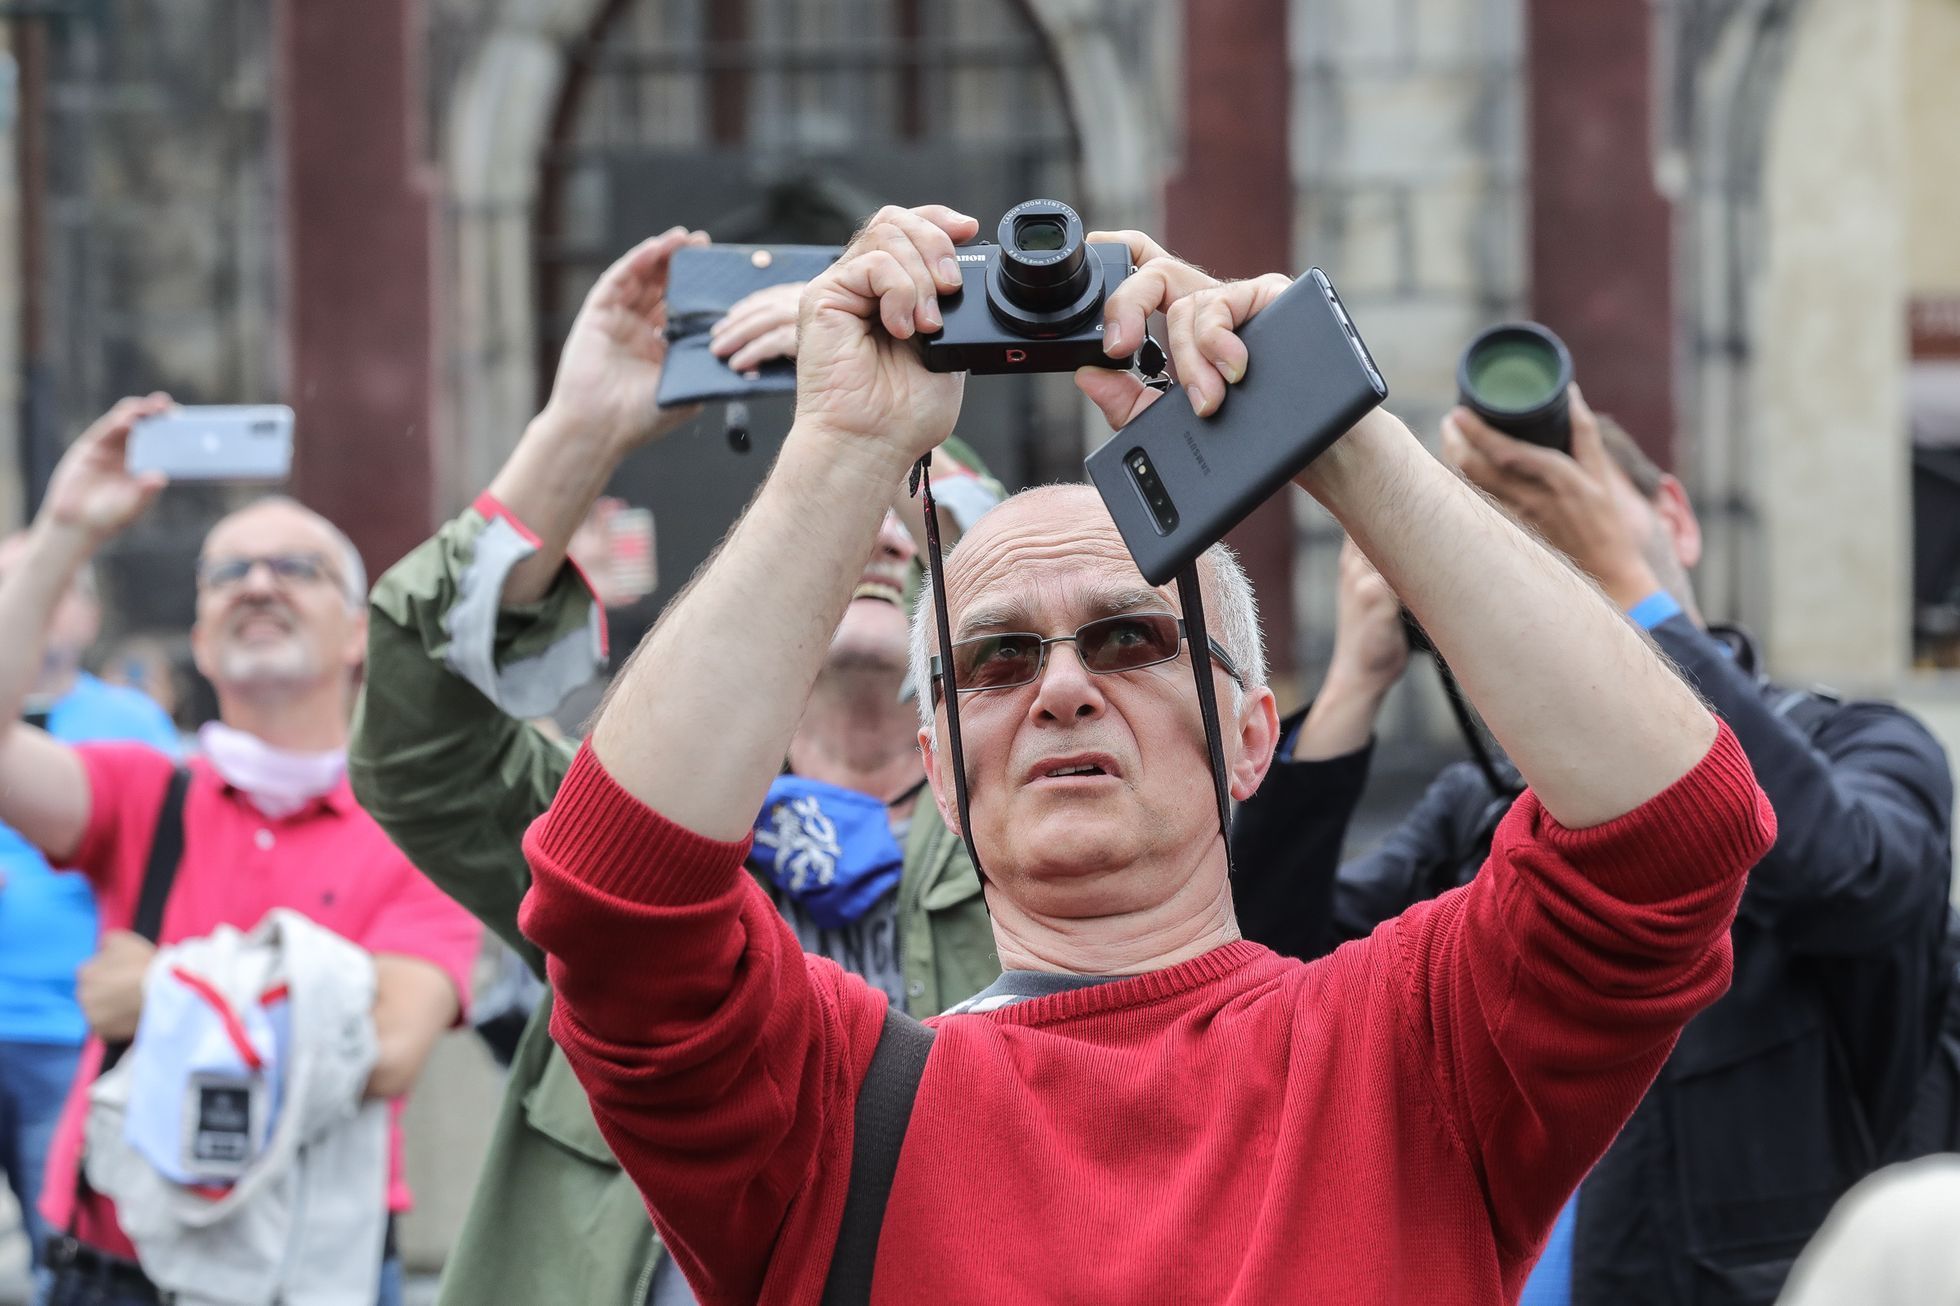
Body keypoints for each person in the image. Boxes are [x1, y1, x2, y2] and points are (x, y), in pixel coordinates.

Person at [515, 205, 1775, 1303]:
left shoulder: (1410, 1056)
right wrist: (841, 451)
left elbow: (1675, 834)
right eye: (997, 661)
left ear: (1249, 734)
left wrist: (1328, 427)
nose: (1061, 687)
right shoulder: (828, 1119)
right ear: (940, 771)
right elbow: (616, 908)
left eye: (1128, 637)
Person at [348, 226, 1002, 1306]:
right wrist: (580, 431)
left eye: (909, 514)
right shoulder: (625, 848)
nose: (881, 541)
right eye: (844, 510)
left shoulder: (1051, 851)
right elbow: (421, 742)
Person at [1244, 395, 1958, 1305]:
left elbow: (1851, 884)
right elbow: (1275, 976)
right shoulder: (1483, 813)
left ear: (1675, 518)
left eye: (1562, 511)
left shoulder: (1863, 745)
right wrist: (1356, 681)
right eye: (1507, 540)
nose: (1539, 570)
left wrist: (1625, 592)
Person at [0, 396, 480, 1306]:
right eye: (227, 574)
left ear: (354, 636)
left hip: (318, 1268)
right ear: (200, 643)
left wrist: (167, 992)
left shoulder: (416, 827)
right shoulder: (146, 793)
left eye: (294, 567)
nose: (258, 582)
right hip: (116, 1264)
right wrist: (65, 526)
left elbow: (386, 1047)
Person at [0, 535, 178, 1280]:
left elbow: (175, 852)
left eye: (55, 584)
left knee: (63, 1247)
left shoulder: (131, 723)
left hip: (68, 1033)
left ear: (90, 612)